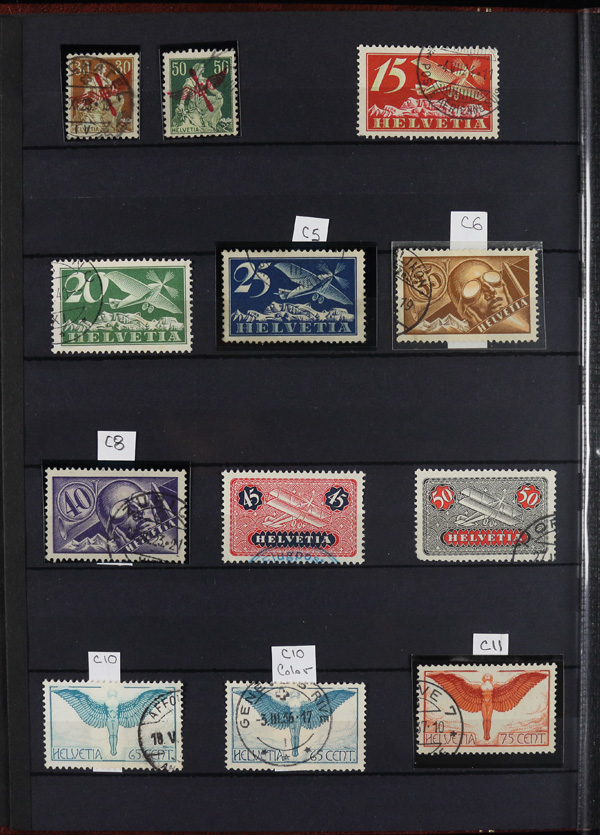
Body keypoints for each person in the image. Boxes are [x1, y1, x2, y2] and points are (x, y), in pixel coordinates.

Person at [174, 62, 224, 132]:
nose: (203, 68)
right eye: (202, 67)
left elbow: (212, 89)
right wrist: (181, 103)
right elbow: (185, 92)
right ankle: (206, 120)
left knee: (220, 100)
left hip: (205, 100)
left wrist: (218, 93)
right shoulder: (190, 81)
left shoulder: (205, 80)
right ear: (197, 69)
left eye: (203, 67)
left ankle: (206, 118)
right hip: (197, 103)